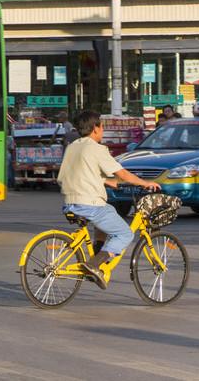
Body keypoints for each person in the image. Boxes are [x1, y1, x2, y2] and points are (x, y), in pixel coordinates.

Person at [57, 110, 161, 287]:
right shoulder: (96, 148)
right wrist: (145, 183)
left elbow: (79, 172)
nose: (103, 131)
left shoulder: (73, 146)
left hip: (70, 201)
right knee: (125, 233)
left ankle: (97, 258)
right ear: (95, 128)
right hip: (89, 203)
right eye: (102, 127)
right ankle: (94, 264)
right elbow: (123, 174)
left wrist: (105, 181)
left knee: (107, 213)